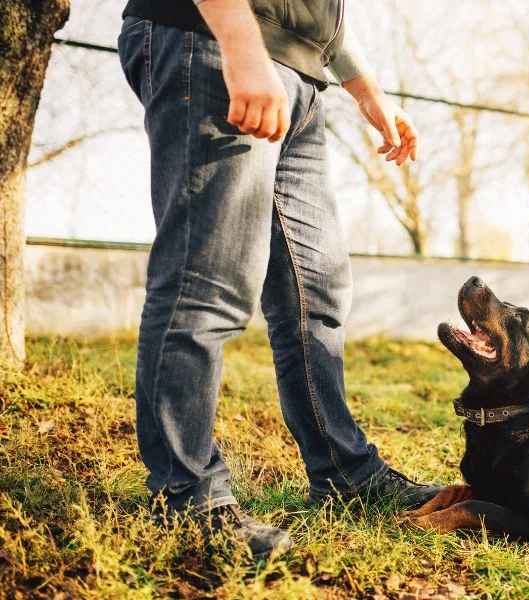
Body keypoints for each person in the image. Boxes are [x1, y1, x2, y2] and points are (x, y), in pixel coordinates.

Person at [117, 0, 441, 559]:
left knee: (315, 291)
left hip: (300, 75)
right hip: (214, 39)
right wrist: (241, 48)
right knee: (207, 283)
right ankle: (187, 497)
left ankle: (346, 473)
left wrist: (367, 90)